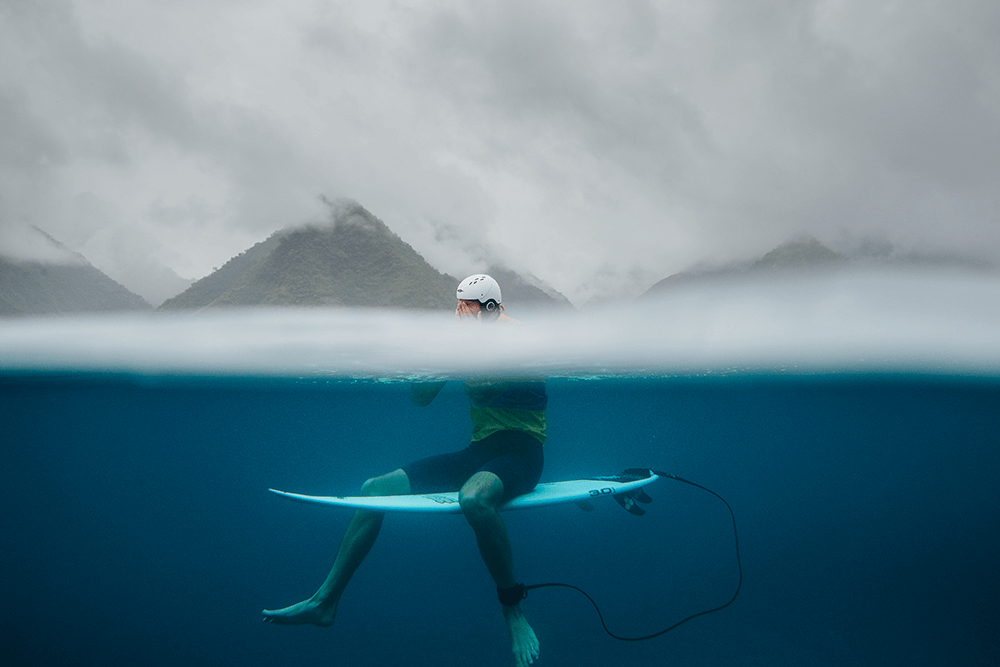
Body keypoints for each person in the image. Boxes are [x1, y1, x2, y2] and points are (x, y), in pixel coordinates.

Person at [263, 274, 546, 667]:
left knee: (475, 499)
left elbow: (487, 389)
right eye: (459, 307)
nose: (460, 315)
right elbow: (420, 398)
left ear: (492, 308)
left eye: (469, 308)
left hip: (523, 452)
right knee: (374, 488)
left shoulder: (516, 336)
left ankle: (512, 608)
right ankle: (324, 600)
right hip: (479, 450)